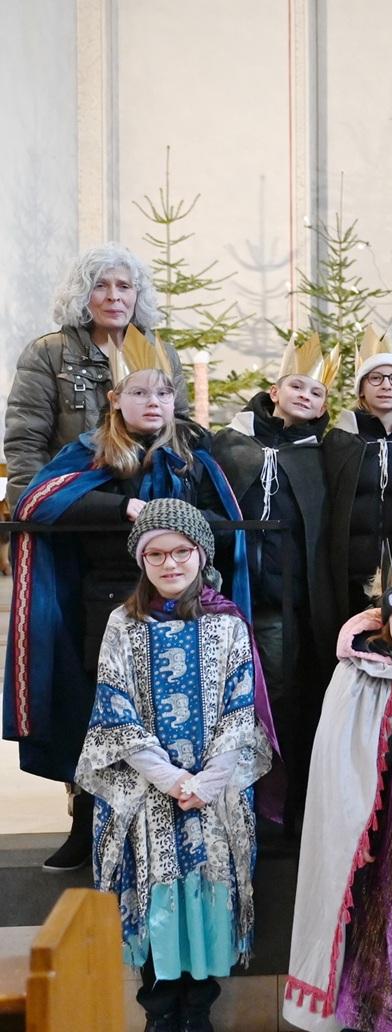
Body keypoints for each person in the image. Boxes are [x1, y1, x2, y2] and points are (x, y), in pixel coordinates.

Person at [5, 330, 249, 871]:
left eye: (162, 393)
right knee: (109, 715)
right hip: (110, 602)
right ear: (115, 398)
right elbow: (41, 503)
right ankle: (89, 820)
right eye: (140, 393)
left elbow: (227, 526)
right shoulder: (87, 451)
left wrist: (173, 525)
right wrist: (125, 509)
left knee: (182, 716)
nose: (153, 403)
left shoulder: (193, 453)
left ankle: (182, 816)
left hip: (187, 607)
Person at [78, 500, 271, 1032]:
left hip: (213, 791)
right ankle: (160, 1013)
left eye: (181, 551)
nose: (169, 564)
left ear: (200, 554)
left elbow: (241, 710)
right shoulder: (123, 623)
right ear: (141, 562)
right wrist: (170, 778)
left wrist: (207, 782)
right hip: (149, 793)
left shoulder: (227, 623)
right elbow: (113, 706)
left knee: (207, 893)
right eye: (156, 554)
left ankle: (199, 1010)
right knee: (156, 895)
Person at [282, 546, 392, 1031]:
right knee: (357, 914)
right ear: (385, 616)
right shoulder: (357, 670)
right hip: (366, 827)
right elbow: (335, 755)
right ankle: (356, 1014)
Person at [212, 333, 337, 823]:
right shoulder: (230, 442)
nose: (305, 396)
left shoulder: (322, 453)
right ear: (274, 389)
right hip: (234, 596)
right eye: (297, 386)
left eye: (316, 392)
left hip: (287, 605)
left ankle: (275, 807)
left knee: (281, 699)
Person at [5, 243, 191, 509]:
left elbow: (181, 430)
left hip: (150, 505)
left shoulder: (162, 354)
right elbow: (25, 443)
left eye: (124, 286)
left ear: (137, 295)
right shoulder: (48, 353)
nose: (113, 296)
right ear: (82, 295)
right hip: (74, 505)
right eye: (100, 286)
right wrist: (34, 506)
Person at [322, 325, 392, 636]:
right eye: (375, 378)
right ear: (361, 388)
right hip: (351, 570)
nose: (386, 386)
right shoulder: (339, 441)